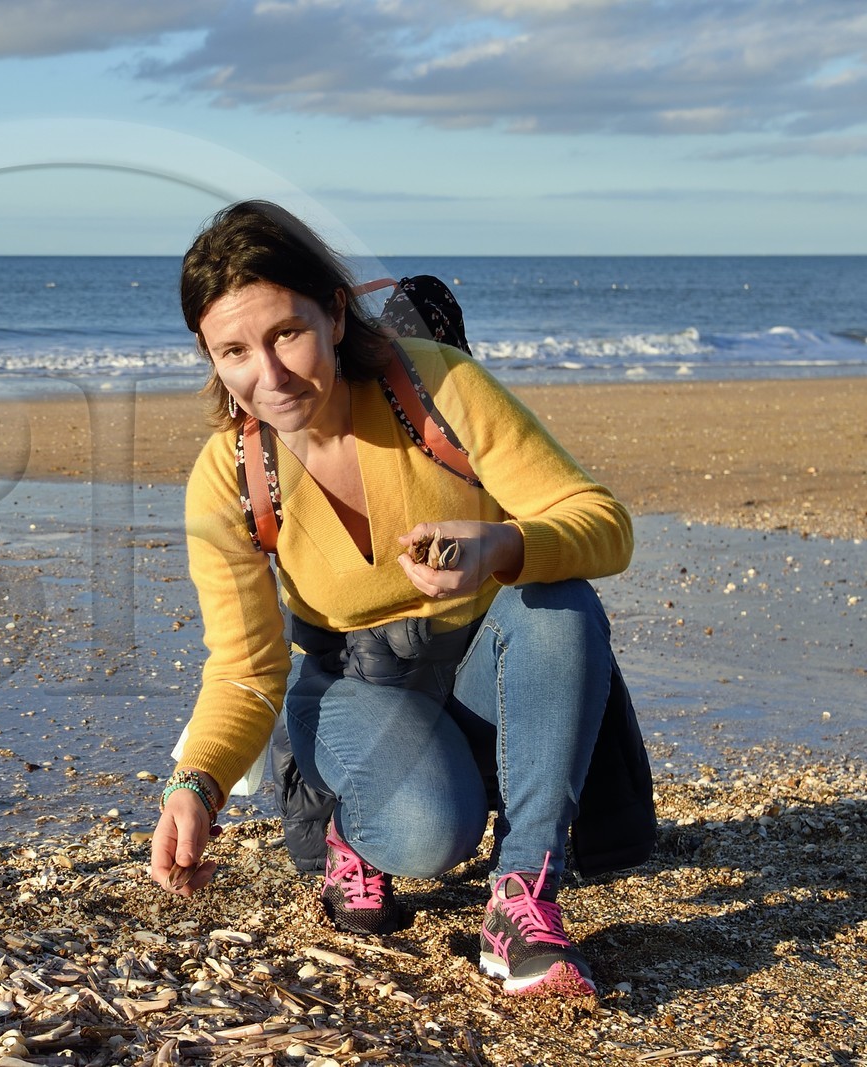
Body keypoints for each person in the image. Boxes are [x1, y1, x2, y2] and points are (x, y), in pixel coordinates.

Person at [148, 200, 634, 999]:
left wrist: (504, 547)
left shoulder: (437, 386)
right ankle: (353, 832)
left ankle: (521, 903)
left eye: (286, 334)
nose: (266, 376)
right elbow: (244, 665)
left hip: (484, 679)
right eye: (233, 350)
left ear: (335, 313)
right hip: (352, 692)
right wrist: (194, 784)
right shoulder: (230, 474)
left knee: (558, 598)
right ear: (209, 354)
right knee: (428, 828)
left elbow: (601, 524)